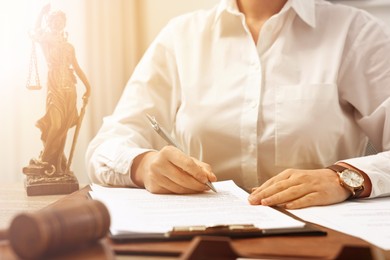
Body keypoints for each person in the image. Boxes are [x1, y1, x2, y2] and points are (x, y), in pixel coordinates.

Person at [86, 0, 390, 209]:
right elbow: (105, 148)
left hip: (324, 242)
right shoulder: (182, 36)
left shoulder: (356, 32)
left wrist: (344, 178)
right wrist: (143, 165)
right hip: (204, 242)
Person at [28, 4, 91, 175]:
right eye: (54, 21)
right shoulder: (47, 41)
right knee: (55, 125)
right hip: (54, 87)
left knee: (62, 129)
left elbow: (77, 68)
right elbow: (35, 31)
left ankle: (57, 165)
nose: (57, 24)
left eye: (60, 21)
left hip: (69, 90)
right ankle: (45, 162)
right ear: (50, 23)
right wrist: (41, 12)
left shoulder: (69, 47)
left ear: (64, 24)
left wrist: (88, 86)